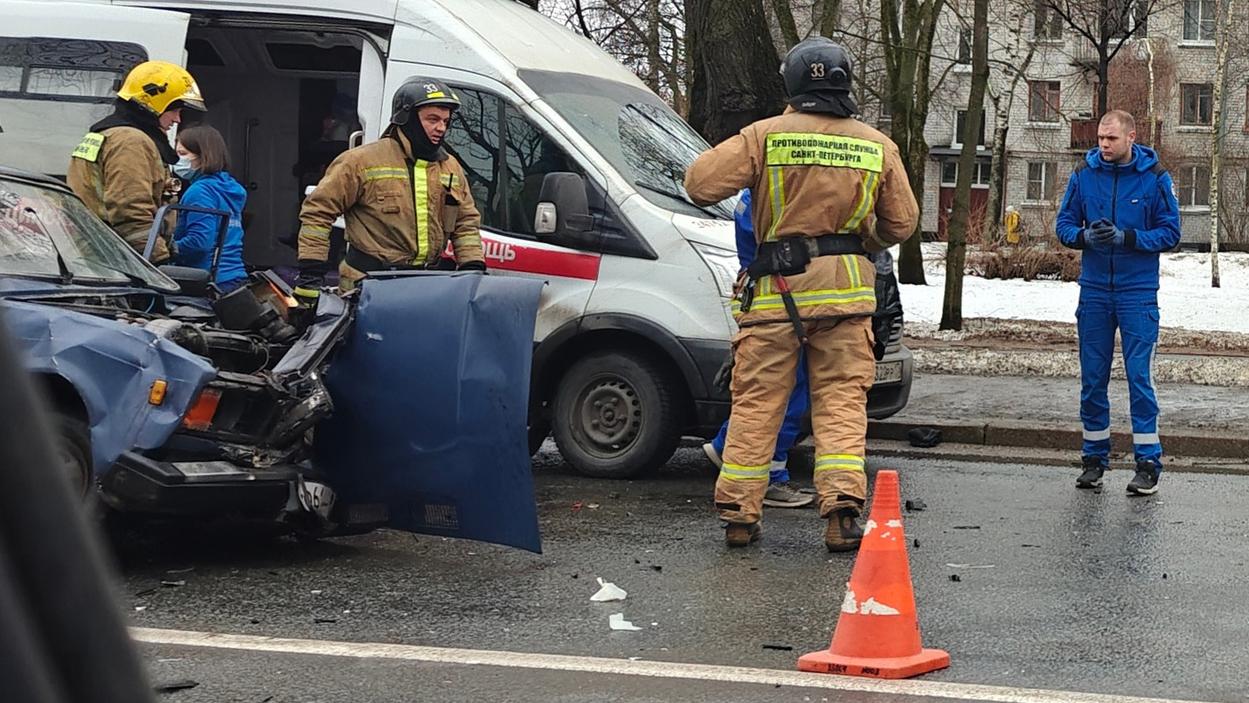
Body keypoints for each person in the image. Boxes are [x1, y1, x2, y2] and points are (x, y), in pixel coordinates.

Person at [684, 37, 919, 551]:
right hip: (845, 299)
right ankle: (840, 511)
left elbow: (699, 185)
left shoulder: (764, 136)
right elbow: (902, 222)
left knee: (757, 405)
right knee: (839, 404)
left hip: (776, 296)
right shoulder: (876, 145)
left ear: (791, 82)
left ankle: (740, 517)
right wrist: (858, 243)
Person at [1056, 109, 1180, 495]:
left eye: (1111, 138)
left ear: (1131, 137)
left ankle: (1148, 463)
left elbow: (1171, 233)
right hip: (1094, 289)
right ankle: (1094, 459)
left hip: (1137, 292)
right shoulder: (1083, 175)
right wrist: (1085, 237)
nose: (1104, 145)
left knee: (1139, 378)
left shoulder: (1155, 177)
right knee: (1093, 378)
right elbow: (1063, 226)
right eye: (1100, 138)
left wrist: (1127, 238)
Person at [294, 77, 485, 302]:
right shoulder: (360, 161)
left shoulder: (450, 166)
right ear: (407, 118)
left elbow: (466, 225)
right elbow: (317, 213)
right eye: (432, 119)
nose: (441, 128)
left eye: (445, 120)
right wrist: (311, 274)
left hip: (427, 286)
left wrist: (473, 271)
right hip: (367, 285)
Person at [702, 188, 814, 510]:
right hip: (782, 304)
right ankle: (770, 474)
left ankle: (729, 447)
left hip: (767, 302)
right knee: (788, 390)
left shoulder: (757, 191)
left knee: (765, 393)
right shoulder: (770, 194)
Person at [68, 61, 206, 262]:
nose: (177, 119)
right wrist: (158, 264)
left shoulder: (109, 134)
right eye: (175, 109)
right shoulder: (130, 141)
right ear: (153, 104)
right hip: (117, 260)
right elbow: (131, 213)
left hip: (99, 255)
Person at [171, 125, 248, 292]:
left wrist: (166, 248)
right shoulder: (230, 188)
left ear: (203, 155)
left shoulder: (199, 192)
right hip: (235, 276)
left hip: (206, 281)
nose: (177, 161)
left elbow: (199, 242)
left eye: (183, 154)